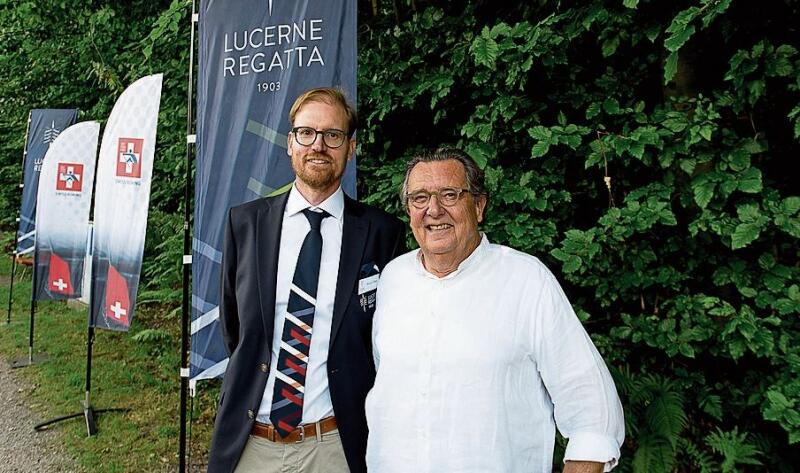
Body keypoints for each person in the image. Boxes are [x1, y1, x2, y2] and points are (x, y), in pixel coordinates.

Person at [366, 148, 624, 473]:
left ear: (478, 205)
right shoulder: (393, 278)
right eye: (419, 198)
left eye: (449, 195)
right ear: (408, 210)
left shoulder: (527, 281)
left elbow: (593, 414)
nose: (433, 210)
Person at [208, 88, 406, 473]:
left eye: (333, 135)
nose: (319, 145)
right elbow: (235, 328)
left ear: (351, 148)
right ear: (290, 143)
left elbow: (384, 338)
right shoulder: (245, 223)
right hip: (251, 445)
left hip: (335, 446)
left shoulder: (383, 234)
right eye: (306, 133)